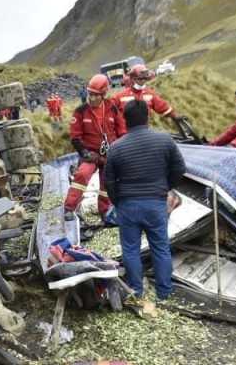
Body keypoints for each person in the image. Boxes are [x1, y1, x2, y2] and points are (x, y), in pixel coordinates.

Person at [103, 100, 185, 300]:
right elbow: (180, 168)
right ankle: (164, 292)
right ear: (148, 116)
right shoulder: (165, 140)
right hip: (156, 204)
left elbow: (109, 181)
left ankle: (136, 291)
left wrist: (118, 202)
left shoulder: (116, 147)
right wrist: (165, 188)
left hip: (128, 206)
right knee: (161, 247)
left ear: (125, 119)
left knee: (131, 250)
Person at [64, 74, 127, 221]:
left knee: (107, 183)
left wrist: (119, 151)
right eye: (90, 94)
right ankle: (69, 208)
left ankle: (105, 211)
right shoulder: (80, 111)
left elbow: (122, 131)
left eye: (95, 95)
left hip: (109, 155)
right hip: (90, 154)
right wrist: (85, 153)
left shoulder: (112, 108)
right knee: (82, 175)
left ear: (103, 94)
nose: (91, 98)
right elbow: (75, 137)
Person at [112, 64, 180, 124]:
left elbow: (162, 106)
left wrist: (174, 116)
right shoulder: (120, 96)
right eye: (140, 79)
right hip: (126, 131)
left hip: (144, 128)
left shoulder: (149, 94)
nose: (143, 81)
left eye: (145, 79)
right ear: (133, 79)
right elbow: (110, 111)